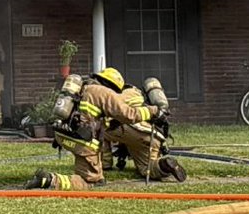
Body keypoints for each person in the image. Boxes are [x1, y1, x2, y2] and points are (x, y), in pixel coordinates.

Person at [24, 67, 165, 190]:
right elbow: (129, 115)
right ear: (113, 86)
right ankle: (49, 180)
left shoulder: (84, 87)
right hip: (82, 140)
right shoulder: (104, 93)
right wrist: (153, 111)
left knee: (95, 167)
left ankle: (92, 172)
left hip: (63, 134)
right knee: (89, 181)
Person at [101, 77, 186, 182]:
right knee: (149, 167)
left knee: (98, 129)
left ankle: (105, 164)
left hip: (128, 128)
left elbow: (115, 115)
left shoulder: (112, 95)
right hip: (153, 135)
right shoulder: (137, 93)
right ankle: (164, 165)